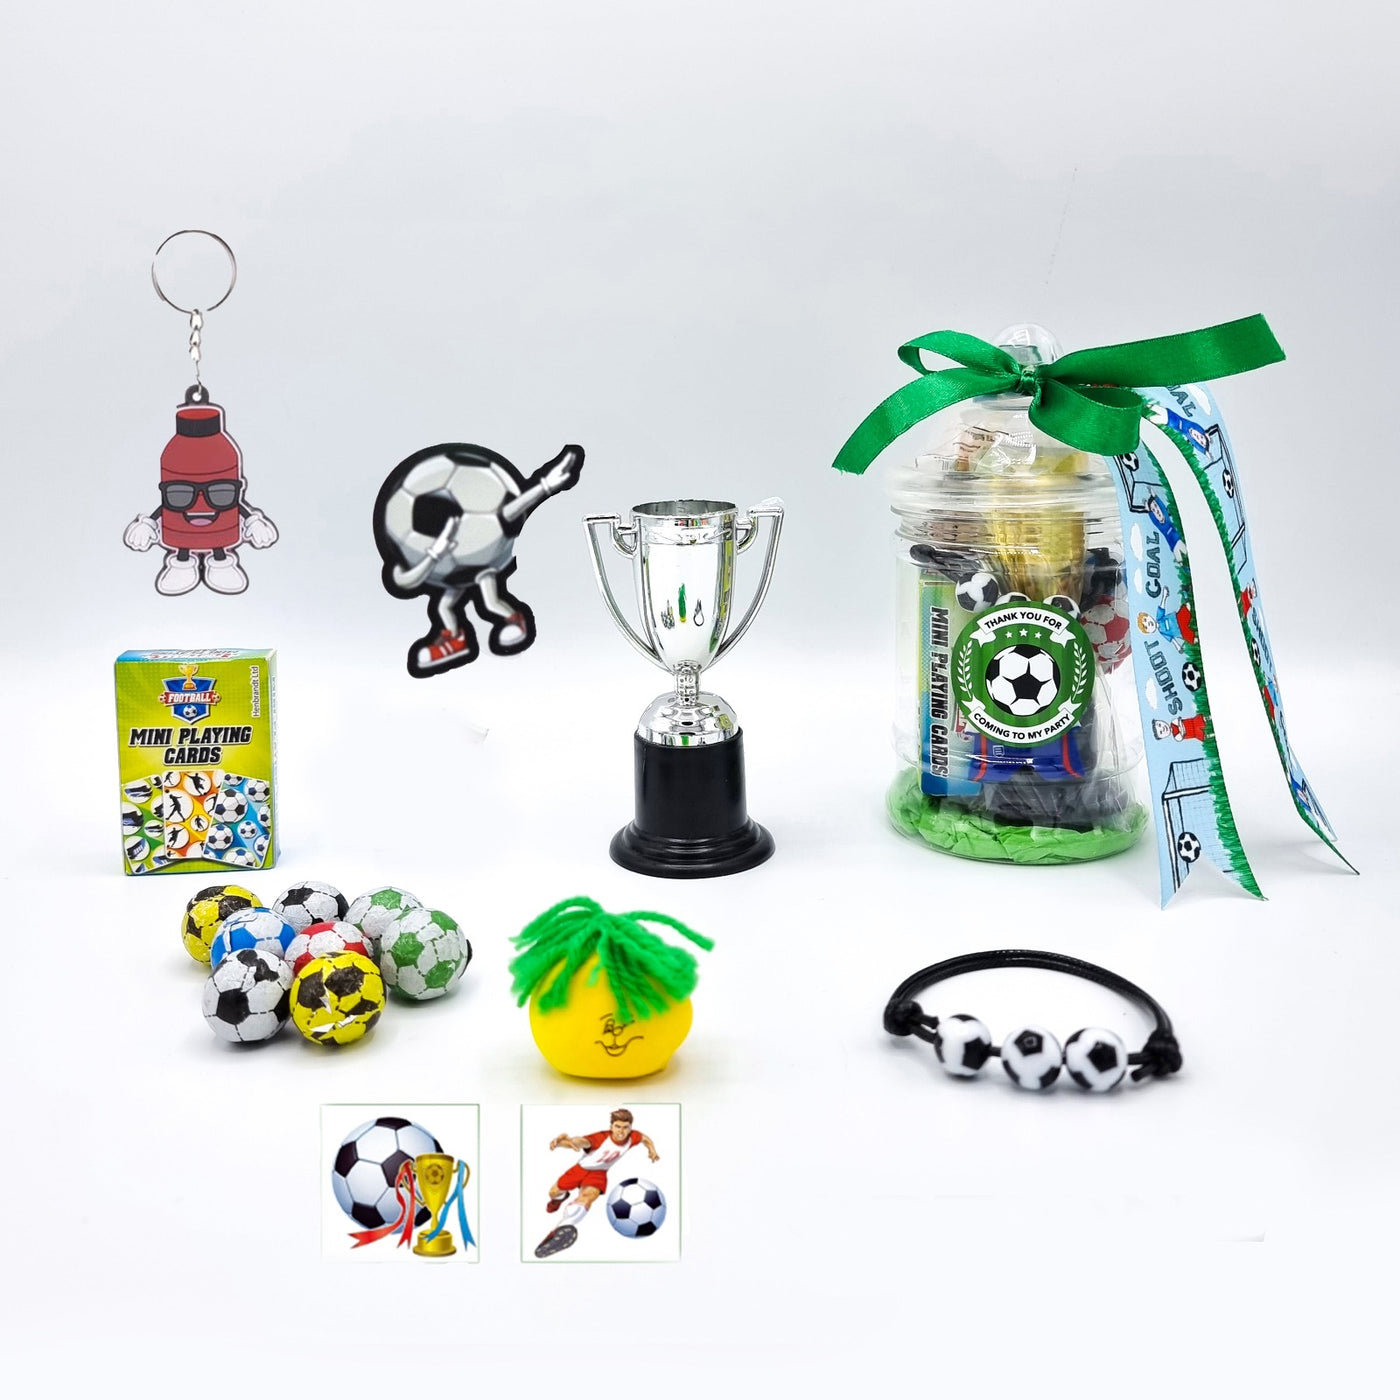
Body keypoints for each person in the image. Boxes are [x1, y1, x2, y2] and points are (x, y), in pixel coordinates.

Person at [534, 1109, 658, 1258]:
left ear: (630, 1127)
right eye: (617, 1127)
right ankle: (560, 1199)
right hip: (580, 1169)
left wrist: (652, 1150)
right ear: (611, 1126)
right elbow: (581, 1142)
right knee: (553, 1192)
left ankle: (560, 1230)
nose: (621, 1131)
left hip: (599, 1174)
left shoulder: (633, 1137)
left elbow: (645, 1139)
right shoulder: (601, 1138)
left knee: (587, 1198)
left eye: (625, 1127)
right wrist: (564, 1142)